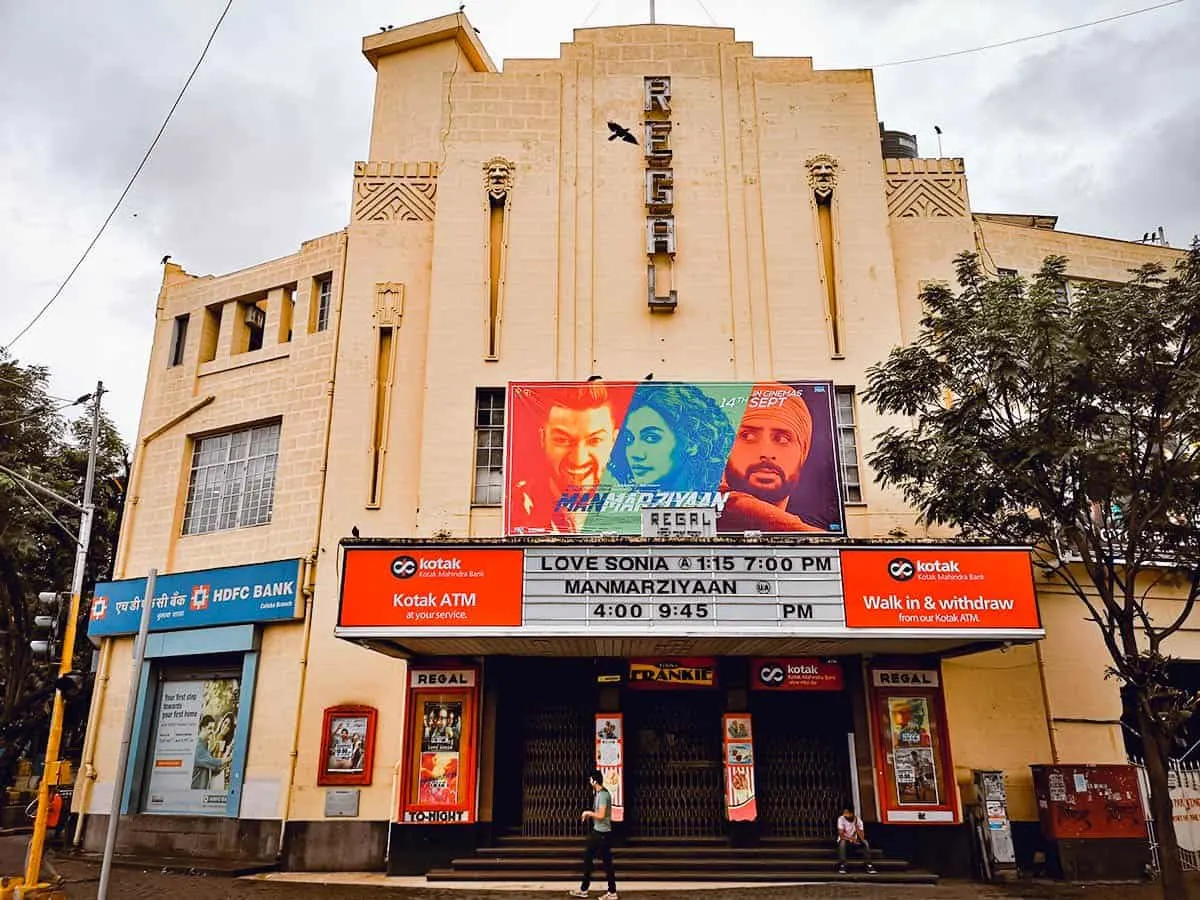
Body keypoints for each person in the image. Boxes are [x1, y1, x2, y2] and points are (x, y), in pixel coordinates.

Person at [511, 384, 618, 534]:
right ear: (543, 438)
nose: (579, 460)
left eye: (595, 441)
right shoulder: (516, 504)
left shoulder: (637, 503)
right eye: (563, 440)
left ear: (614, 442)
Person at [718, 383, 825, 533]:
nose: (766, 452)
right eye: (748, 436)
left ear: (803, 453)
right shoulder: (706, 501)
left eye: (782, 439)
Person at [608, 384, 734, 491]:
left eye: (651, 438)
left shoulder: (732, 507)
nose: (634, 453)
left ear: (692, 442)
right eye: (629, 439)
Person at [569, 769, 617, 900]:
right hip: (600, 833)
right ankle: (609, 891)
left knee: (591, 859)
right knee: (600, 861)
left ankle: (586, 890)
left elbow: (601, 815)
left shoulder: (602, 795)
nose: (589, 781)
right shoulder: (600, 793)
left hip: (601, 834)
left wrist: (587, 813)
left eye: (590, 779)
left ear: (594, 781)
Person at [836, 806, 876, 874]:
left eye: (847, 813)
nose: (845, 815)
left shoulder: (858, 821)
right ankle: (843, 865)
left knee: (866, 843)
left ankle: (869, 865)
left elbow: (862, 837)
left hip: (855, 840)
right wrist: (851, 839)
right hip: (845, 839)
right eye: (844, 813)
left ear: (852, 814)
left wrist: (856, 827)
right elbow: (841, 835)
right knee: (842, 843)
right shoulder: (841, 819)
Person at [191, 715, 224, 790]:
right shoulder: (198, 746)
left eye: (213, 729)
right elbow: (214, 763)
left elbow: (214, 769)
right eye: (210, 728)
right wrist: (230, 758)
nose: (212, 732)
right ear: (203, 728)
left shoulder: (205, 745)